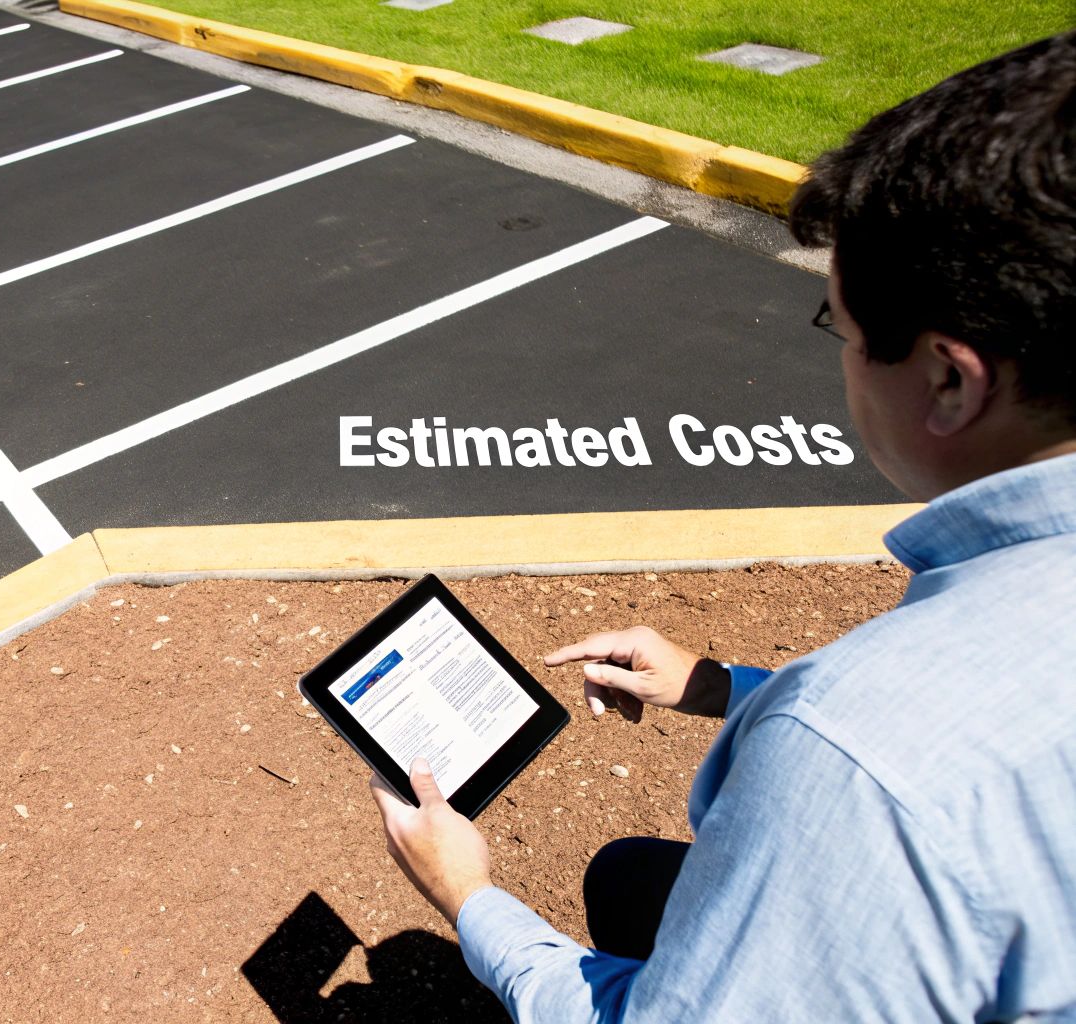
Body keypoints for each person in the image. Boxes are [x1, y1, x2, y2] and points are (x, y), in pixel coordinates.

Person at [370, 31, 1076, 1022]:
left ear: (946, 380)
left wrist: (470, 898)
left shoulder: (852, 757)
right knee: (626, 878)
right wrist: (719, 687)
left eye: (837, 325)